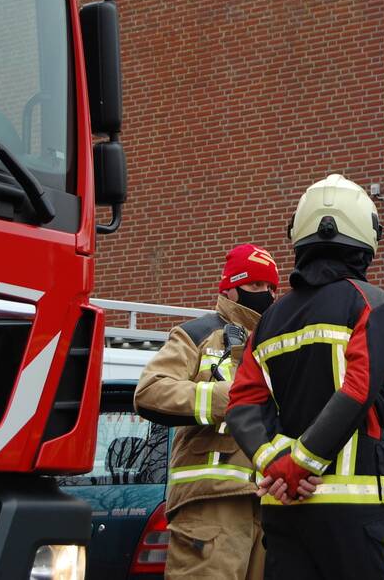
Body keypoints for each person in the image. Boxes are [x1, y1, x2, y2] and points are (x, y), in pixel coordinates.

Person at [226, 174, 384, 580]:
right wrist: (298, 466)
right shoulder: (373, 304)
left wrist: (276, 466)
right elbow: (358, 391)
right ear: (364, 238)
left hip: (286, 514)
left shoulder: (268, 321)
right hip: (362, 517)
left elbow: (242, 403)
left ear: (299, 236)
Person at [133, 243, 280, 580]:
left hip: (269, 506)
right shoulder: (197, 335)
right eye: (256, 286)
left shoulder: (277, 344)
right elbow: (150, 391)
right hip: (210, 508)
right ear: (230, 287)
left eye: (272, 288)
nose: (267, 295)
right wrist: (228, 399)